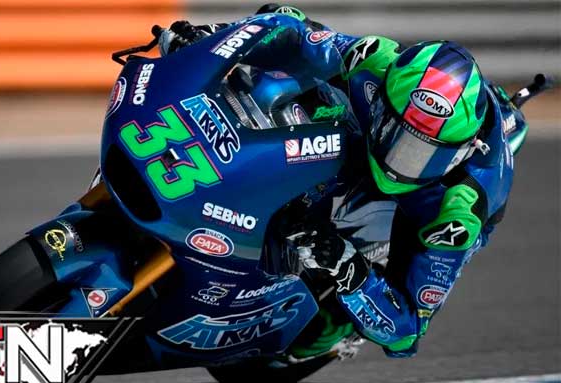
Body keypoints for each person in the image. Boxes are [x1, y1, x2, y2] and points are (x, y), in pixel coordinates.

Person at [158, 4, 515, 359]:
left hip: (426, 201)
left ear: (461, 152)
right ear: (383, 98)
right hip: (364, 144)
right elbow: (293, 28)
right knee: (299, 87)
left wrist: (351, 271)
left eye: (426, 154)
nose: (401, 160)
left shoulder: (457, 217)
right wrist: (213, 40)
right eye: (397, 135)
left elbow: (406, 335)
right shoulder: (375, 59)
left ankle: (332, 331)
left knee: (311, 335)